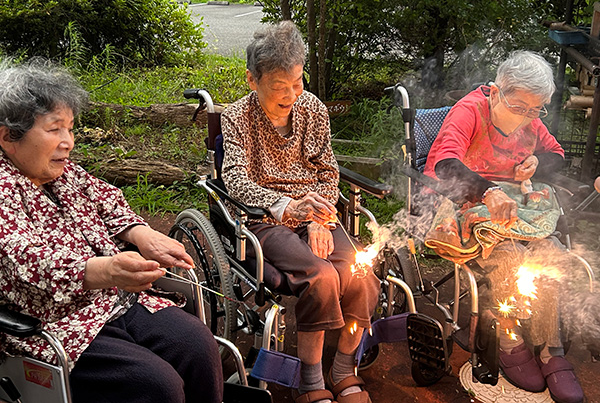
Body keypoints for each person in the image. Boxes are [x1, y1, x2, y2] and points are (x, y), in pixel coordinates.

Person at [0, 59, 223, 403]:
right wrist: (107, 269)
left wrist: (140, 233)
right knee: (156, 385)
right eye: (54, 128)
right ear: (8, 137)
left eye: (70, 128)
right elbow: (23, 260)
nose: (68, 142)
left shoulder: (63, 172)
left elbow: (106, 198)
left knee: (197, 346)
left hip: (114, 301)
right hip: (53, 326)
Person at [220, 21, 380, 403]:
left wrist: (316, 219)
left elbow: (328, 171)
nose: (292, 94)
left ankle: (343, 369)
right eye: (279, 87)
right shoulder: (236, 117)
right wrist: (287, 207)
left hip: (316, 214)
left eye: (297, 82)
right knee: (322, 276)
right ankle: (311, 381)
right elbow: (235, 179)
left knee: (361, 276)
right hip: (264, 217)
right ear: (251, 80)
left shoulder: (313, 109)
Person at [423, 51, 583, 403]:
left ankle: (550, 349)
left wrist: (537, 161)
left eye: (536, 110)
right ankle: (510, 339)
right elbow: (447, 166)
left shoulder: (529, 118)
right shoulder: (469, 111)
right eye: (520, 107)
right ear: (496, 93)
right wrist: (488, 191)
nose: (528, 118)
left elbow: (556, 156)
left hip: (512, 203)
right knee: (508, 255)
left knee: (551, 253)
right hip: (463, 199)